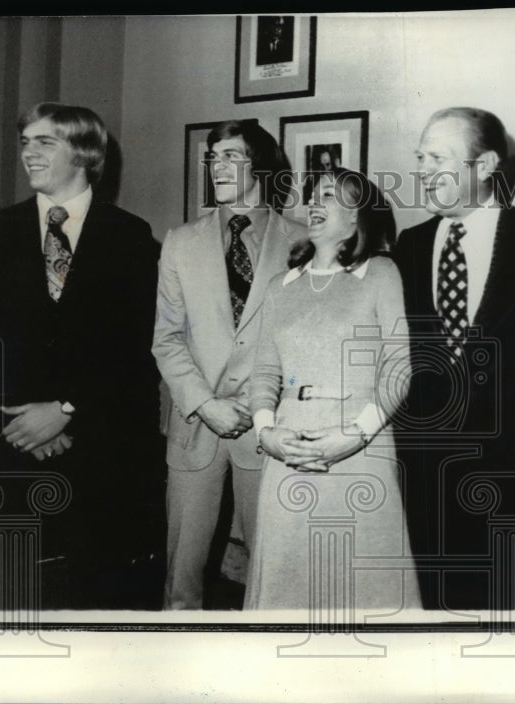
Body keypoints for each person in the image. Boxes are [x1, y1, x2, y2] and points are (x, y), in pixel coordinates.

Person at [0, 102, 163, 609]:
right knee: (8, 593)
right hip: (7, 441)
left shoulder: (132, 237)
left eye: (45, 142)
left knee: (97, 592)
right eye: (25, 142)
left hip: (100, 447)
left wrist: (65, 409)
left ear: (85, 152)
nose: (28, 152)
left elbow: (138, 345)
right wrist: (24, 418)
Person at [392, 107, 515, 610]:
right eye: (420, 158)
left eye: (440, 158)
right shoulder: (406, 248)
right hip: (425, 476)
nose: (425, 170)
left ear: (486, 164)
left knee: (503, 618)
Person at [244, 169, 420, 613]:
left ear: (359, 217)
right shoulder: (279, 286)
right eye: (313, 195)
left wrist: (354, 435)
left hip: (361, 445)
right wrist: (266, 434)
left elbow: (399, 366)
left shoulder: (379, 273)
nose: (315, 203)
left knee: (363, 587)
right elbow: (264, 371)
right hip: (289, 446)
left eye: (331, 196)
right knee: (286, 584)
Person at [153, 119, 305, 609]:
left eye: (231, 156)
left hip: (270, 428)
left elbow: (308, 341)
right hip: (196, 425)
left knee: (272, 577)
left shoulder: (301, 241)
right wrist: (205, 404)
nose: (217, 166)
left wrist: (263, 408)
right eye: (213, 157)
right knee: (182, 578)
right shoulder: (180, 242)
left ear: (260, 165)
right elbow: (166, 340)